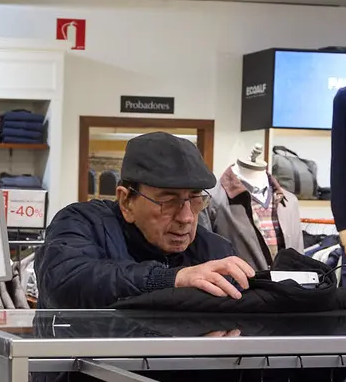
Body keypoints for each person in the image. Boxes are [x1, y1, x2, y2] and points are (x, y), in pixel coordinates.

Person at [36, 132, 254, 308]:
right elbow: (63, 284)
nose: (186, 217)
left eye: (195, 199)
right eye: (168, 202)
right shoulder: (82, 224)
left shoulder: (215, 252)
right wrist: (170, 279)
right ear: (126, 201)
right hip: (83, 362)